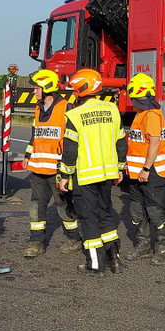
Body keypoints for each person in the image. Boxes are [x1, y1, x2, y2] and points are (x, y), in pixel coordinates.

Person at [56, 68, 127, 277]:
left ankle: (95, 265)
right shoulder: (112, 109)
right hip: (108, 174)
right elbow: (121, 143)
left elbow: (70, 151)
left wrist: (65, 176)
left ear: (81, 90)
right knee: (106, 214)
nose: (74, 93)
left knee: (88, 219)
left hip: (85, 175)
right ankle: (115, 259)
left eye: (75, 89)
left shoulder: (74, 115)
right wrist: (120, 168)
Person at [22, 69, 82, 258]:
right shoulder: (38, 108)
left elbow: (72, 140)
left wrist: (67, 169)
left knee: (62, 205)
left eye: (36, 88)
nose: (34, 91)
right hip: (38, 168)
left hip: (57, 169)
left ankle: (74, 238)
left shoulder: (66, 108)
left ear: (47, 87)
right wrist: (27, 155)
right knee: (36, 205)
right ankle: (36, 242)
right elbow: (36, 134)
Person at [122, 73, 165, 265]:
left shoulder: (151, 115)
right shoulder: (141, 112)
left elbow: (154, 143)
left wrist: (145, 168)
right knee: (137, 210)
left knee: (155, 212)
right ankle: (143, 246)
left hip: (151, 173)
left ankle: (161, 249)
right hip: (136, 173)